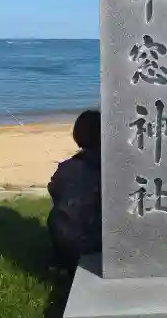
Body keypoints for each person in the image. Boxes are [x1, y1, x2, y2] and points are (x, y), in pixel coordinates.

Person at [47, 109, 102, 272]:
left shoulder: (67, 166)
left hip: (62, 238)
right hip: (94, 240)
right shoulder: (107, 168)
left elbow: (53, 189)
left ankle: (62, 262)